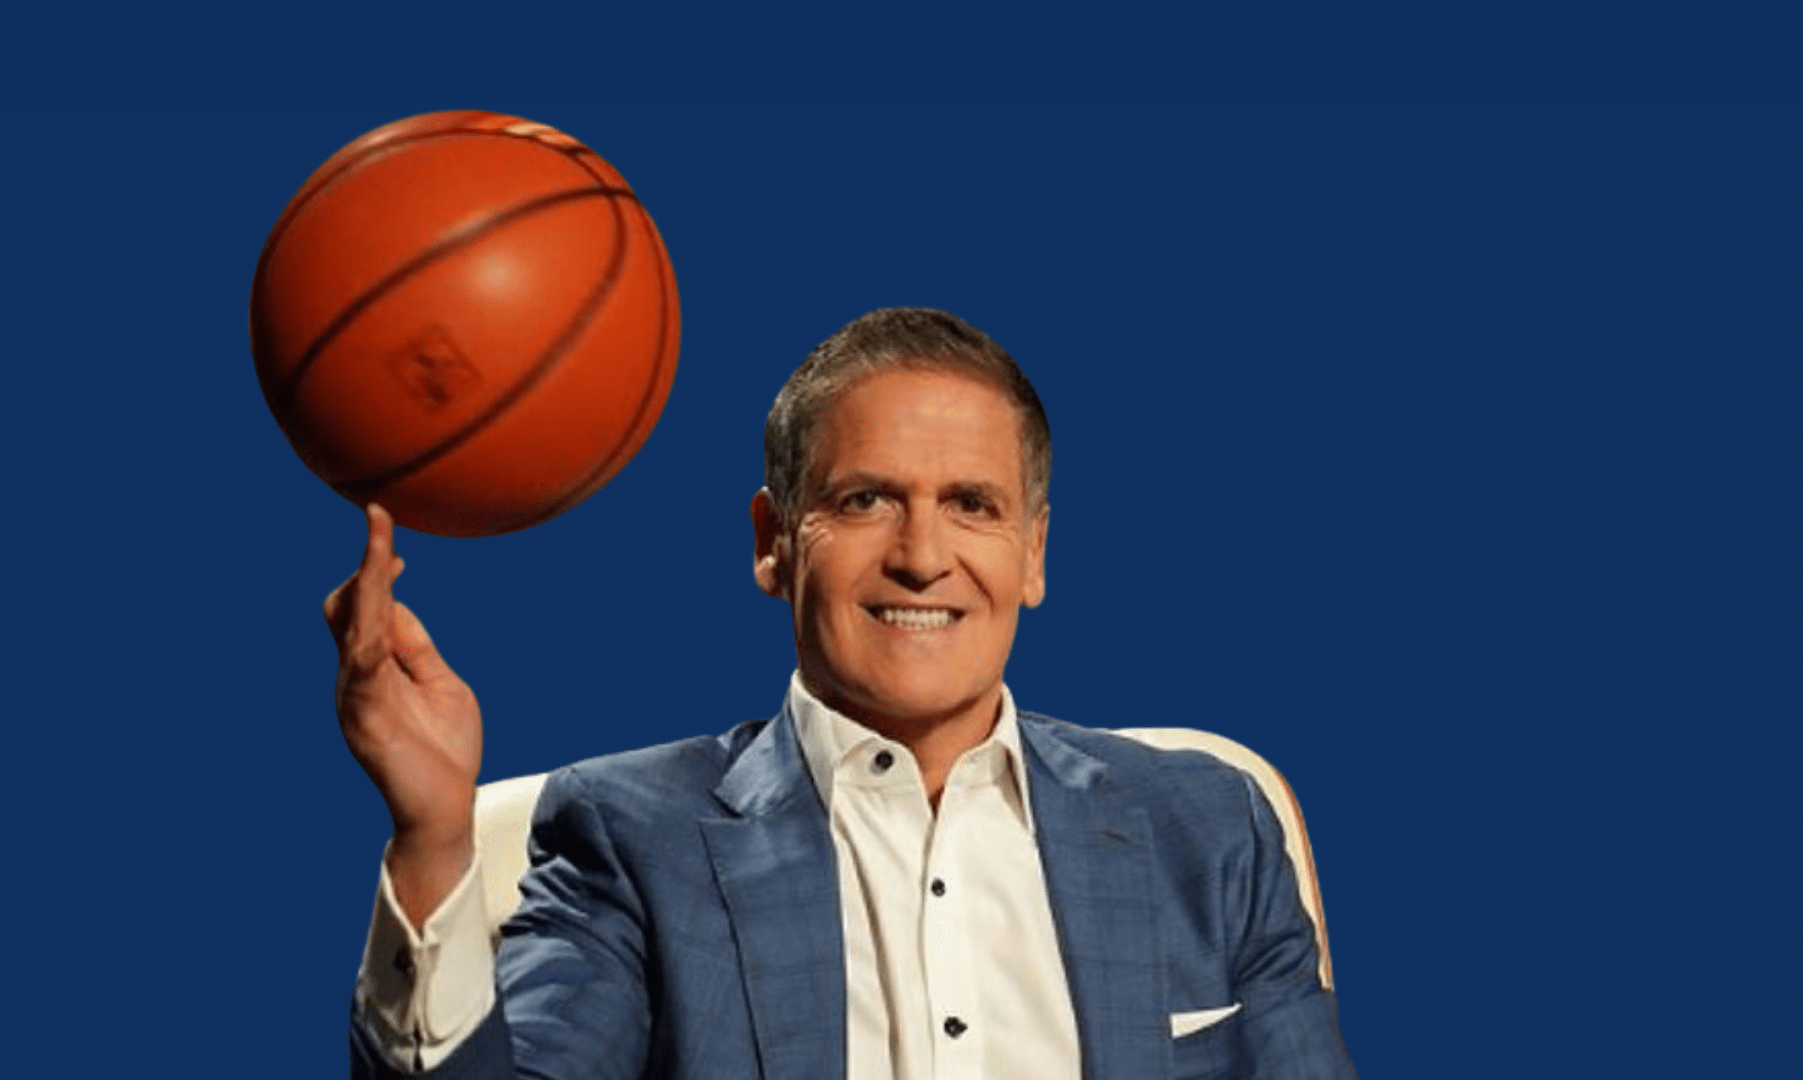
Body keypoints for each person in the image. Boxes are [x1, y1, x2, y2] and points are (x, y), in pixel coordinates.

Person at [334, 308, 1358, 1079]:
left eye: (972, 505)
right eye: (864, 500)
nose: (923, 557)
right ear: (774, 544)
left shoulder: (1208, 825)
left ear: (1033, 552)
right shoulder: (629, 838)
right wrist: (431, 838)